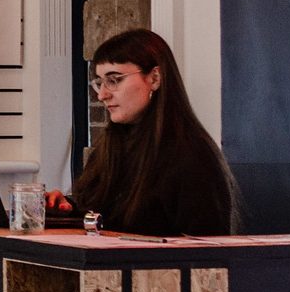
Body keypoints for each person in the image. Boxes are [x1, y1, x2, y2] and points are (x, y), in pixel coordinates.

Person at [68, 28, 240, 236]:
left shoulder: (191, 156)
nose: (102, 95)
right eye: (100, 82)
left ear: (155, 78)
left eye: (114, 80)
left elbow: (208, 253)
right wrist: (65, 208)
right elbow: (96, 218)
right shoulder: (108, 149)